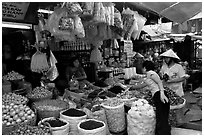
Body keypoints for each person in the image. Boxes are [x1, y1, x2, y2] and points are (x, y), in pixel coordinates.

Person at [130, 60, 171, 135]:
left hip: (159, 95)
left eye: (143, 68)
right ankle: (163, 132)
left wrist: (162, 94)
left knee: (161, 117)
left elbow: (159, 82)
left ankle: (163, 133)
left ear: (145, 68)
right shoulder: (148, 76)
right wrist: (131, 87)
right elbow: (141, 85)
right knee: (162, 116)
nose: (142, 69)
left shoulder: (151, 73)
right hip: (158, 95)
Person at [159, 49, 189, 125]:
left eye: (167, 58)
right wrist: (162, 77)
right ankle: (170, 124)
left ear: (172, 58)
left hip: (177, 91)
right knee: (168, 109)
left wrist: (172, 80)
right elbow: (161, 75)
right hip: (167, 91)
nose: (165, 59)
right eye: (165, 58)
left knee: (178, 109)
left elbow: (183, 77)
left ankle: (179, 124)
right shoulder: (164, 67)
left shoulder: (178, 67)